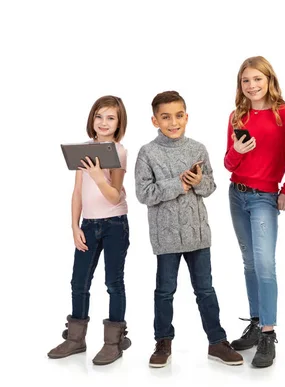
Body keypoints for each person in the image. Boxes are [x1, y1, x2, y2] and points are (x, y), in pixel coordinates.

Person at [135, 90, 243, 368]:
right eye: (166, 117)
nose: (173, 122)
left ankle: (217, 342)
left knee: (205, 290)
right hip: (166, 235)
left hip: (198, 235)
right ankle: (163, 342)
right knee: (164, 290)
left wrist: (196, 182)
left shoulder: (197, 148)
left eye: (179, 116)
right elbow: (144, 193)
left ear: (187, 117)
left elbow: (210, 187)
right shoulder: (148, 152)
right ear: (154, 120)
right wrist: (179, 185)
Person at [225, 56, 285, 368]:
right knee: (249, 264)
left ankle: (268, 334)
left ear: (269, 80)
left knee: (265, 264)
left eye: (257, 79)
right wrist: (237, 151)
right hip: (237, 194)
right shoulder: (236, 116)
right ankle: (256, 324)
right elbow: (229, 164)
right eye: (246, 81)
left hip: (264, 197)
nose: (252, 86)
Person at [48, 95, 132, 366]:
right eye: (99, 116)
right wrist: (74, 226)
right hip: (88, 225)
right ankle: (75, 339)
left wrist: (99, 176)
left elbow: (114, 195)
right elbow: (76, 193)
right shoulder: (83, 149)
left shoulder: (118, 152)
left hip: (114, 224)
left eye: (110, 118)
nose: (103, 122)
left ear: (119, 123)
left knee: (113, 282)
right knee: (79, 281)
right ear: (92, 119)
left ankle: (114, 340)